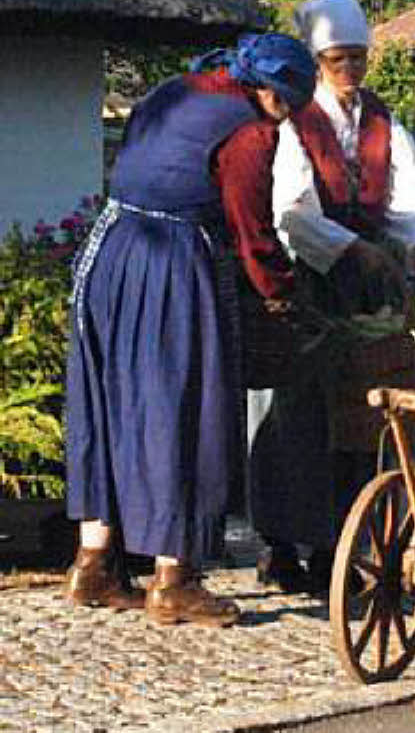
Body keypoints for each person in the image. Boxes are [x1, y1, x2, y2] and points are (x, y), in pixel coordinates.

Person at [63, 33, 317, 626]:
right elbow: (251, 231)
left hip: (109, 250)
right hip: (168, 262)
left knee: (109, 403)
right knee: (183, 407)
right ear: (272, 92)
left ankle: (93, 565)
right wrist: (282, 291)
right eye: (290, 104)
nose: (289, 116)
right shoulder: (250, 133)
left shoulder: (170, 92)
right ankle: (174, 580)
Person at [247, 0, 415, 595]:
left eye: (358, 58)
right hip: (308, 279)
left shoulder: (382, 120)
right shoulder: (295, 124)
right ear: (315, 59)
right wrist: (351, 249)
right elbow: (292, 210)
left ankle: (344, 543)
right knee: (301, 416)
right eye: (338, 60)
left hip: (366, 285)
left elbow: (406, 199)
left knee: (363, 418)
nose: (352, 72)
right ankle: (284, 543)